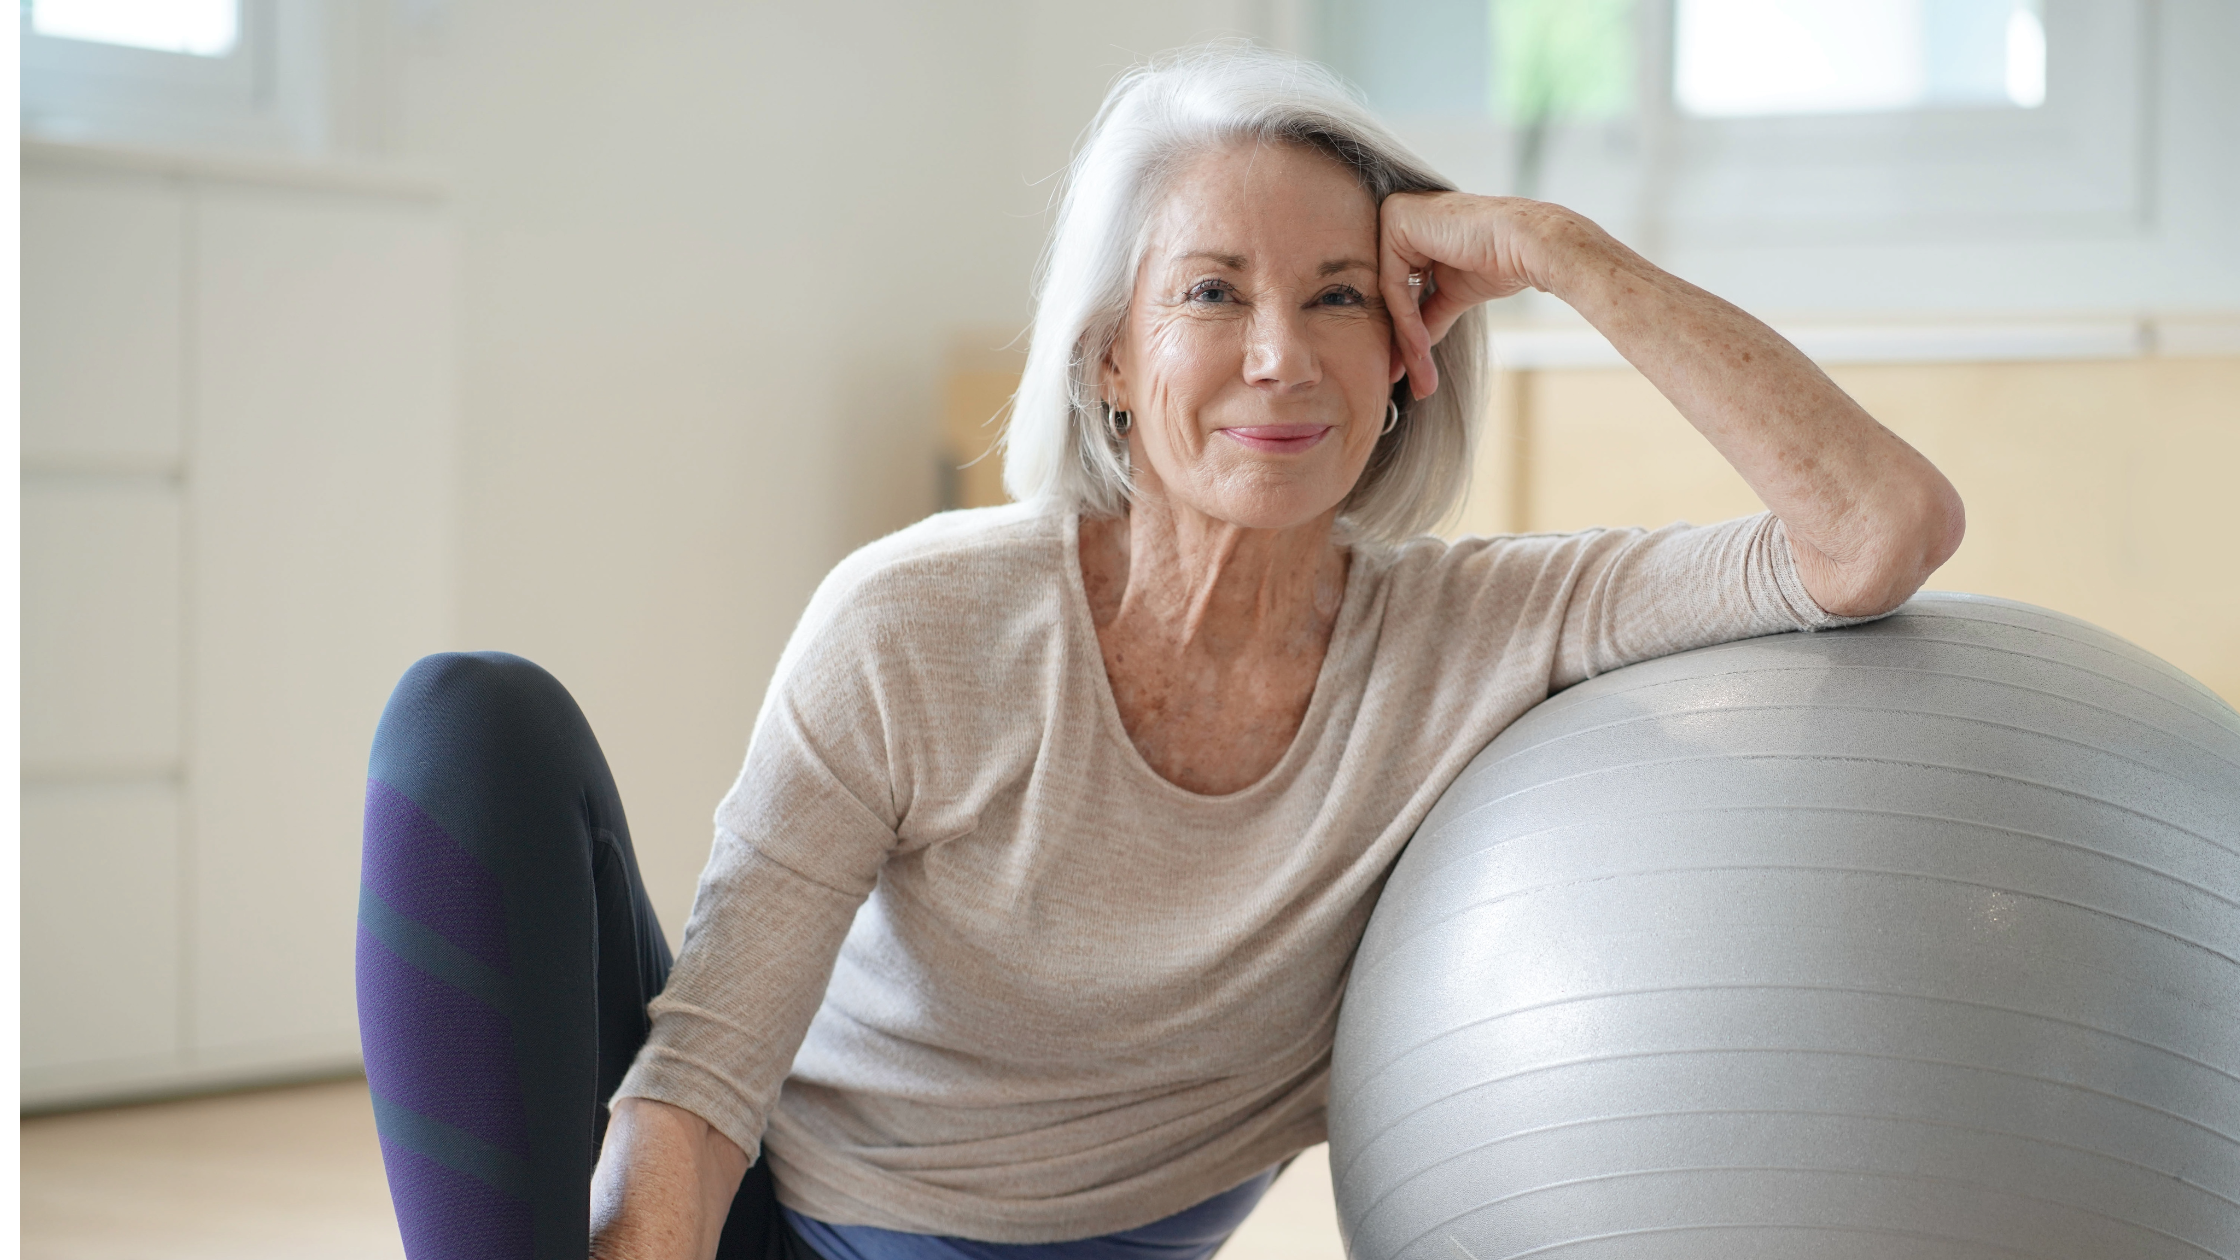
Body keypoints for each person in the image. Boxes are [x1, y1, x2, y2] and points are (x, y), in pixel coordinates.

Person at [357, 41, 1962, 1260]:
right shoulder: (921, 625)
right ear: (1113, 361)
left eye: (1342, 296)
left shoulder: (1483, 634)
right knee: (468, 721)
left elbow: (1875, 529)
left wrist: (1556, 249)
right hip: (771, 1216)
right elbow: (702, 1082)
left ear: (1407, 357)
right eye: (1213, 291)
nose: (1281, 353)